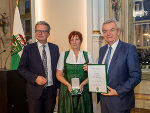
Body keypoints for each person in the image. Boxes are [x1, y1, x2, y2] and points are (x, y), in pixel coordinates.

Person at [97, 19, 141, 113]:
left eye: (112, 30)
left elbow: (136, 76)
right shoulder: (102, 50)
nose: (108, 33)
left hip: (120, 101)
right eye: (105, 31)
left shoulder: (129, 49)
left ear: (118, 32)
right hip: (104, 101)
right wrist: (91, 69)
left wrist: (117, 91)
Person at [18, 21, 60, 113]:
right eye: (38, 31)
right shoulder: (28, 49)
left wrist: (58, 87)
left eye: (43, 31)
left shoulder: (55, 48)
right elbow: (21, 68)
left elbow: (58, 69)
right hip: (35, 91)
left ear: (48, 34)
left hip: (51, 91)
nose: (40, 33)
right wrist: (35, 78)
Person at [56, 31, 94, 113]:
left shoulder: (88, 55)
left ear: (81, 41)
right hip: (67, 90)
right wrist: (68, 85)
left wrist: (82, 84)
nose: (74, 42)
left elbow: (93, 75)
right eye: (72, 40)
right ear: (69, 41)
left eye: (77, 39)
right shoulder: (64, 54)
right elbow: (58, 75)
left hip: (83, 90)